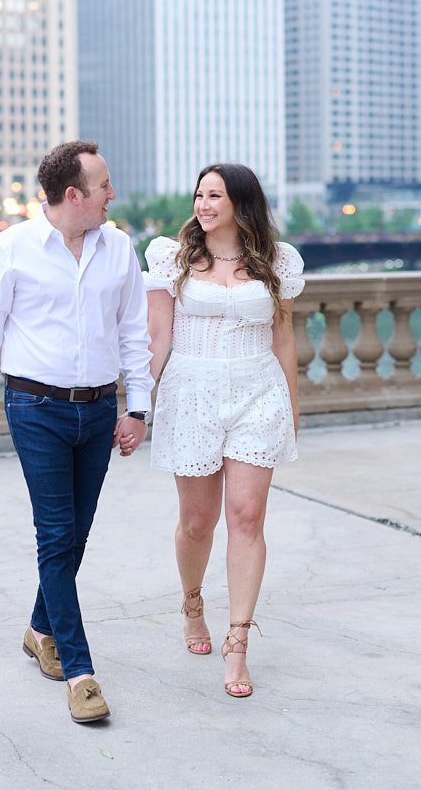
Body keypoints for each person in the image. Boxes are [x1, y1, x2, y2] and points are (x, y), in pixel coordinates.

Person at [0, 140, 153, 723]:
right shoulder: (10, 248)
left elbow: (133, 336)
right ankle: (80, 671)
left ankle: (40, 628)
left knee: (76, 536)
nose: (112, 194)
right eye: (104, 185)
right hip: (34, 409)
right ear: (75, 195)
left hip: (98, 412)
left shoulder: (119, 248)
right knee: (57, 534)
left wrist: (136, 408)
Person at [144, 163, 304, 698]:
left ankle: (237, 644)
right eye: (199, 195)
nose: (204, 204)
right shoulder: (174, 259)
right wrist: (136, 405)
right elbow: (157, 337)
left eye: (215, 195)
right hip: (190, 393)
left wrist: (293, 411)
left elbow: (283, 342)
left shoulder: (276, 263)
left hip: (258, 393)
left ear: (241, 202)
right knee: (197, 522)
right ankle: (193, 605)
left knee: (248, 517)